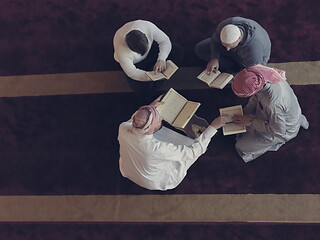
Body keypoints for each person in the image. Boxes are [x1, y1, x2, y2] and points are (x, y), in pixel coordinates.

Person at [118, 96, 227, 191]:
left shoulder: (123, 127)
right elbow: (194, 151)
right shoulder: (157, 149)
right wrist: (213, 127)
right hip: (154, 181)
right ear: (152, 127)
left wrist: (149, 108)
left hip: (128, 170)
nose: (161, 118)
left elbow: (134, 119)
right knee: (193, 144)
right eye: (159, 120)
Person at [230, 64, 309, 162]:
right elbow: (255, 97)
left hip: (282, 130)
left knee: (241, 146)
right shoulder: (263, 75)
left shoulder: (273, 105)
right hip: (283, 114)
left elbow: (278, 131)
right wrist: (246, 113)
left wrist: (250, 121)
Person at [113, 20, 184, 104]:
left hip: (150, 51)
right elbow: (132, 72)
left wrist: (161, 59)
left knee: (178, 50)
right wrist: (150, 76)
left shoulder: (147, 26)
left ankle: (156, 82)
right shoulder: (122, 51)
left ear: (145, 35)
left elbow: (164, 41)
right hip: (136, 64)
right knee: (142, 89)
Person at [195, 17, 271, 75]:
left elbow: (254, 70)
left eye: (229, 46)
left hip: (249, 60)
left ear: (239, 38)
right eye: (224, 44)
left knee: (244, 77)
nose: (227, 49)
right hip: (237, 51)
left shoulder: (253, 49)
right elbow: (215, 40)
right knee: (200, 49)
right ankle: (230, 65)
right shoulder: (225, 25)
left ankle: (234, 68)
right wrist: (214, 58)